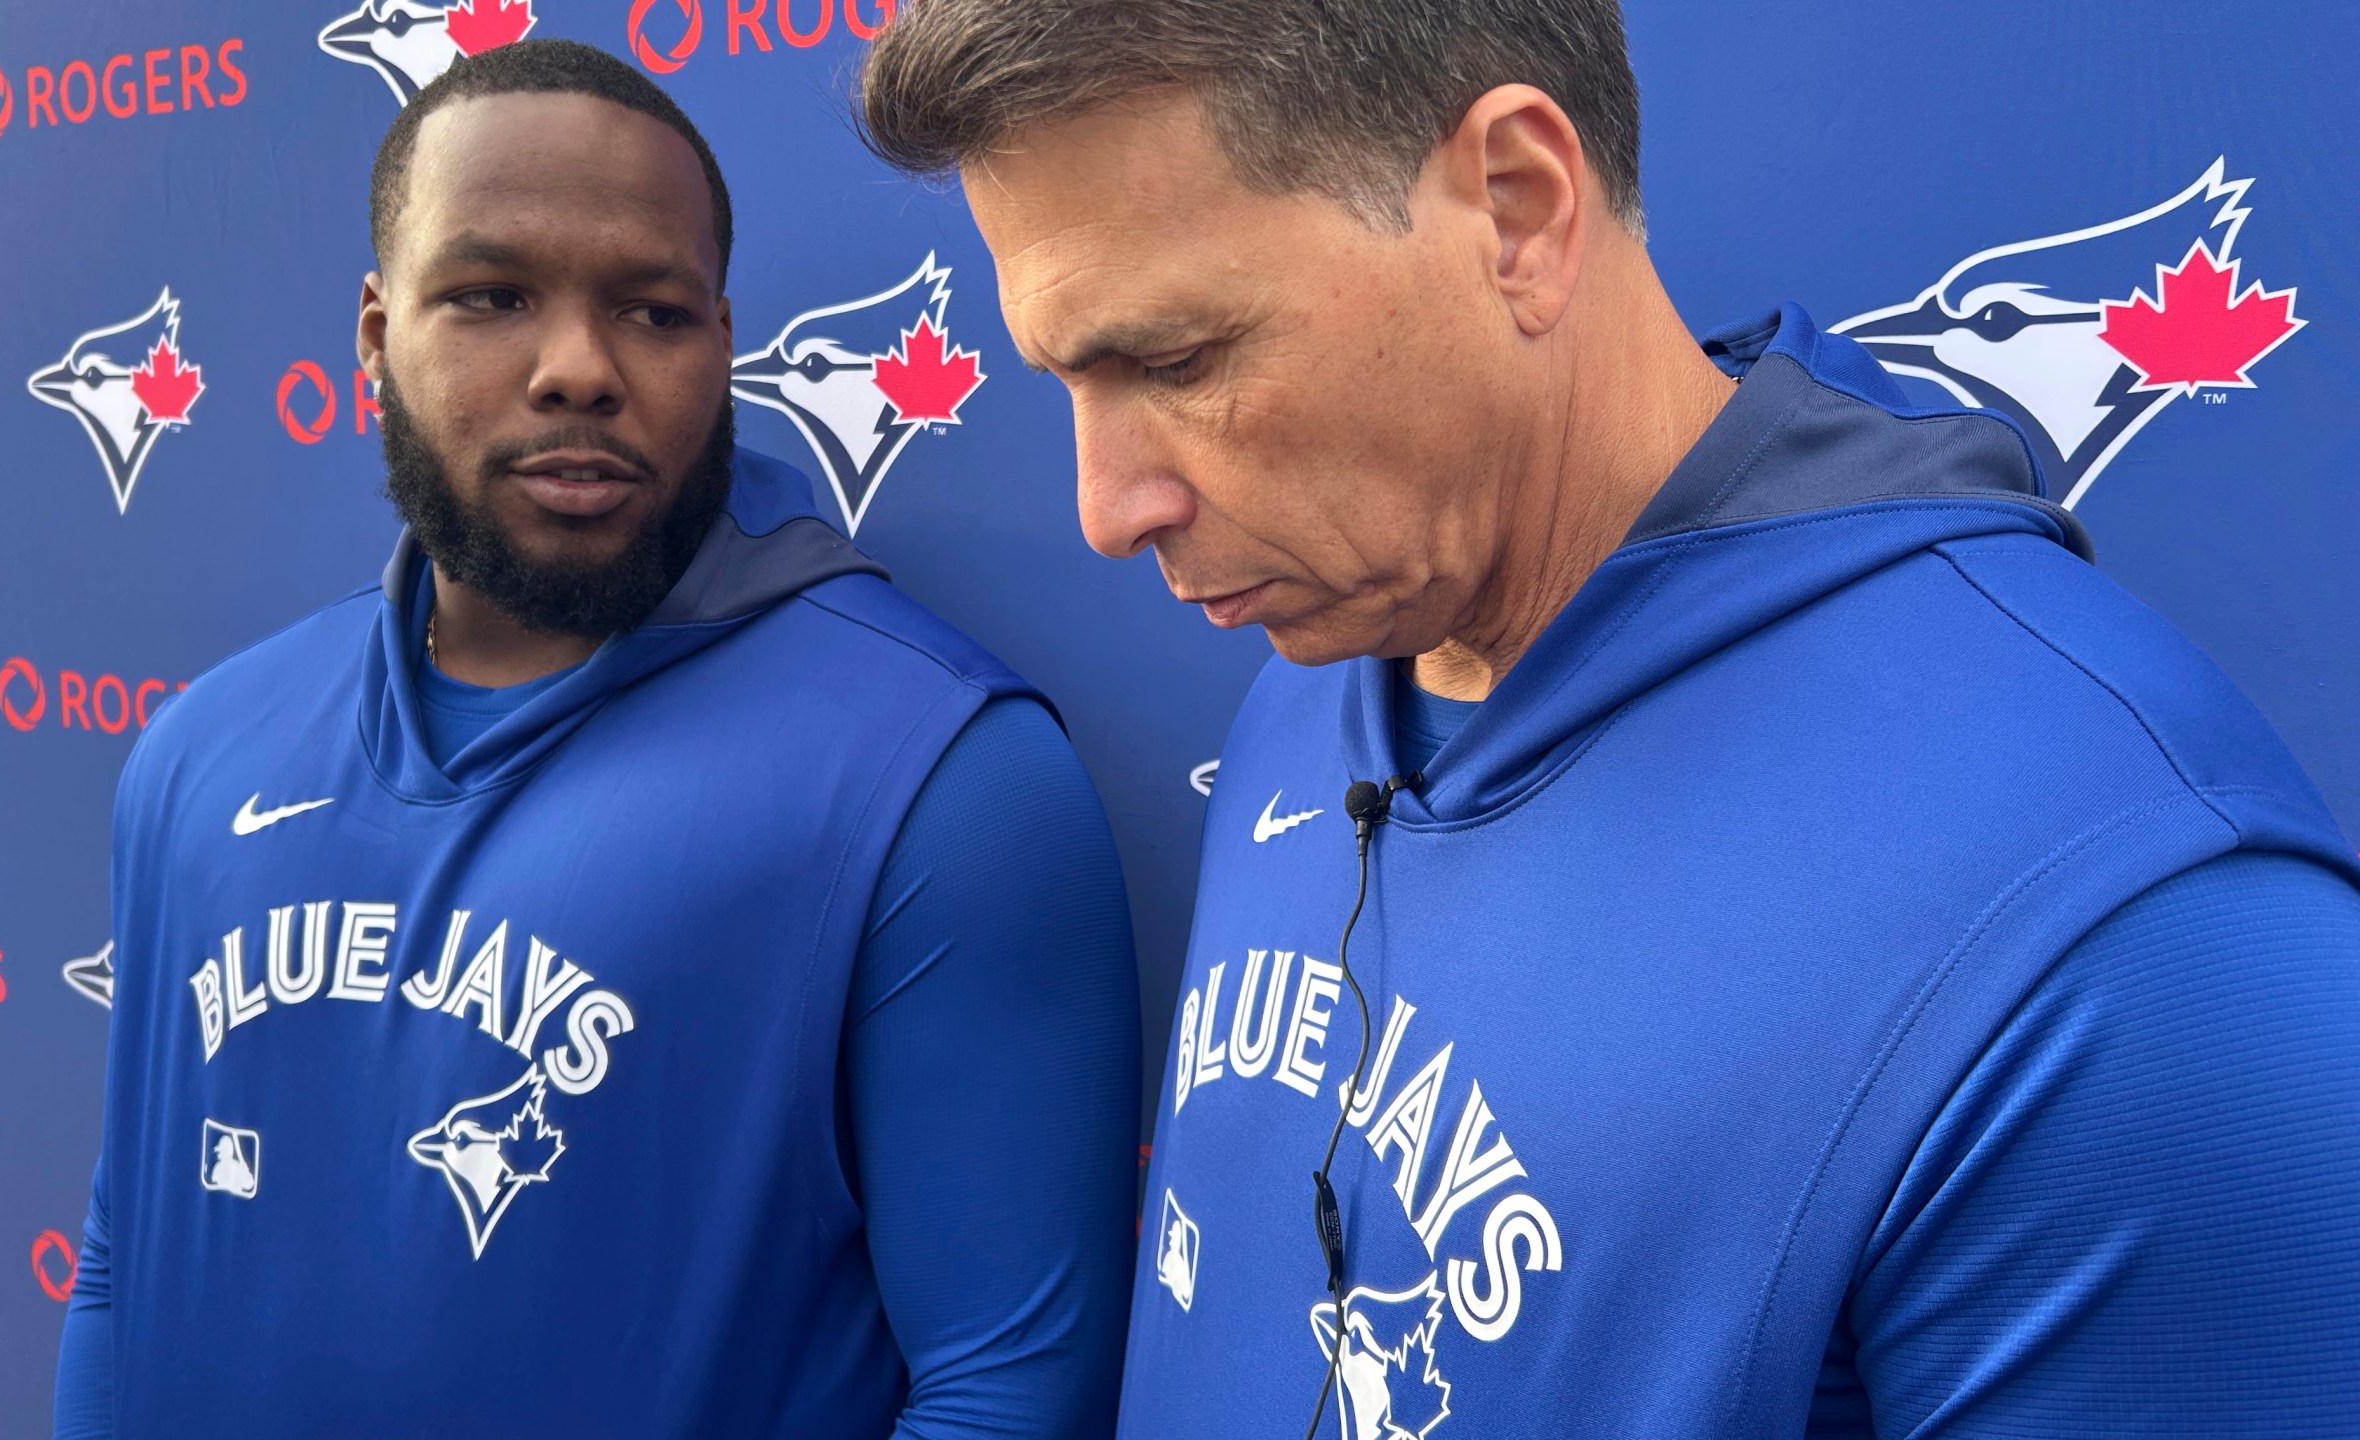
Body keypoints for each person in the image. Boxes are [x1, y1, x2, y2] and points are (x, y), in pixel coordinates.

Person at [858, 3, 2360, 1436]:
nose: (1107, 510)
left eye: (1177, 362)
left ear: (1516, 208)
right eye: (1067, 377)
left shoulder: (2131, 939)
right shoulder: (1312, 680)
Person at [54, 39, 1139, 1438]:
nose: (578, 369)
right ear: (378, 332)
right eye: (492, 296)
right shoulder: (200, 750)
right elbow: (123, 1265)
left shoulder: (944, 779)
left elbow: (1008, 1395)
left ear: (725, 345)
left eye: (652, 311)